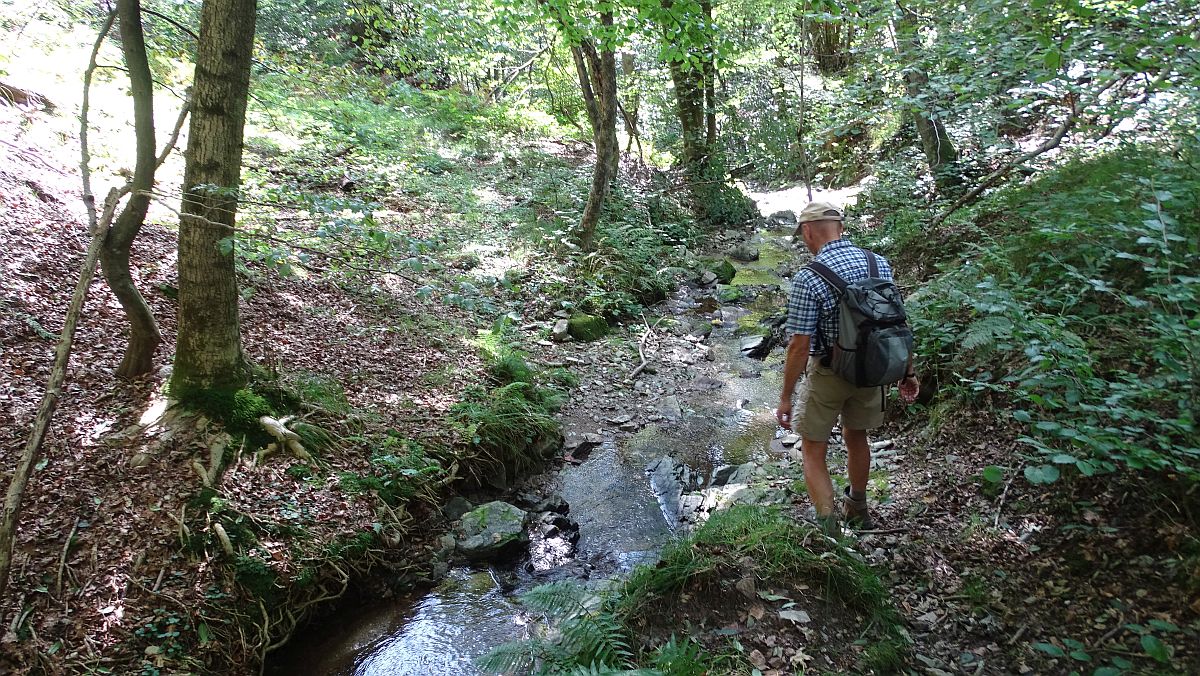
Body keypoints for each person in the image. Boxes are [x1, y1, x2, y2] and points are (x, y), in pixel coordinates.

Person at [775, 201, 919, 535]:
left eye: (803, 235)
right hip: (873, 370)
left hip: (829, 374)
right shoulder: (877, 263)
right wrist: (908, 371)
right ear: (841, 227)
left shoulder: (809, 278)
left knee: (812, 449)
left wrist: (785, 396)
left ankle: (829, 532)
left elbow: (799, 345)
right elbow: (897, 322)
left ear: (808, 231)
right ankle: (858, 506)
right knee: (857, 436)